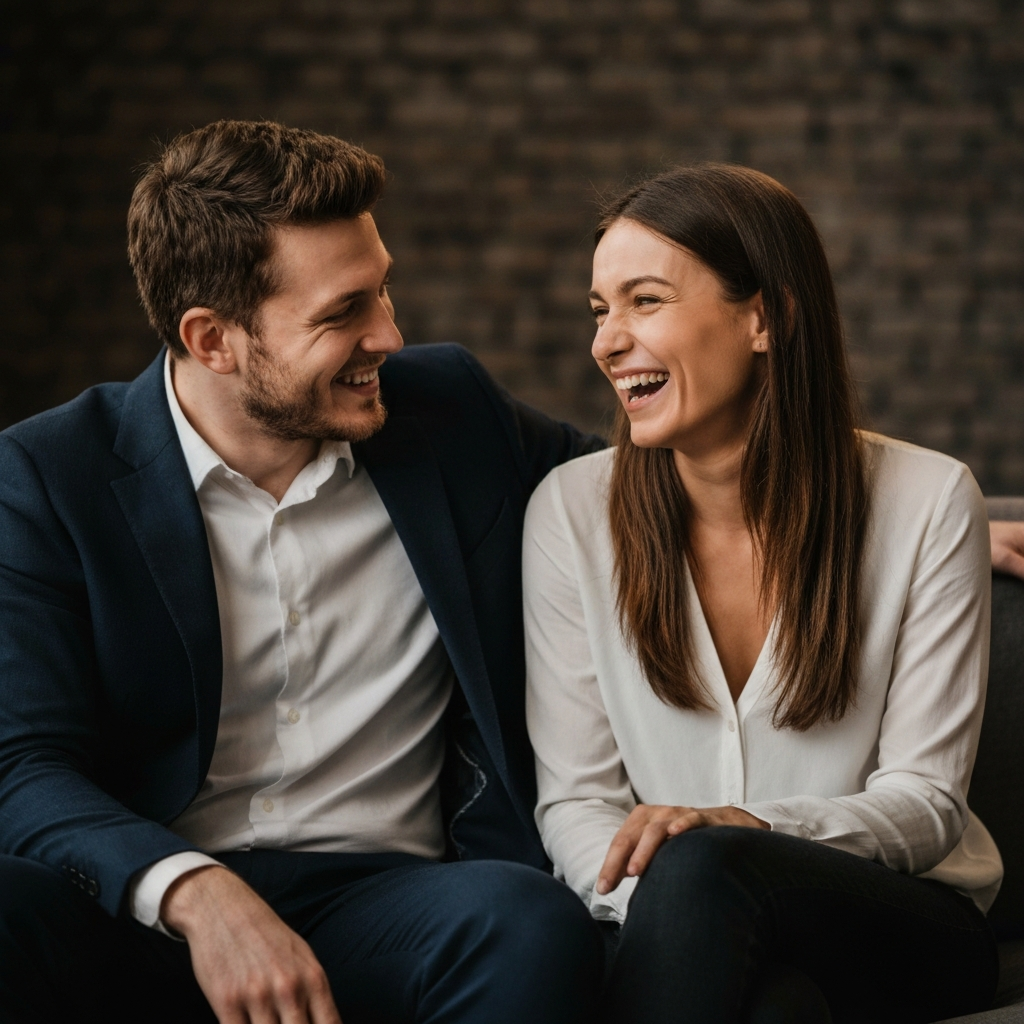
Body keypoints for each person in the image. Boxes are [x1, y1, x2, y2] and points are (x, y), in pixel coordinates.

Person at [0, 120, 605, 1024]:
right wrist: (196, 893)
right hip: (144, 912)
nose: (390, 335)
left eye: (383, 291)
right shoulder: (46, 477)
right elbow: (20, 764)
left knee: (524, 921)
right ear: (212, 340)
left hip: (393, 908)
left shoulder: (451, 416)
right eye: (342, 312)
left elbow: (646, 494)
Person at [523, 164, 1003, 1024]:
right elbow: (577, 799)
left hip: (899, 919)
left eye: (645, 301)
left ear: (765, 318)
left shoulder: (929, 502)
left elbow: (927, 805)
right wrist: (671, 910)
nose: (605, 341)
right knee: (774, 1006)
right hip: (673, 919)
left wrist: (744, 833)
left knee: (704, 866)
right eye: (601, 310)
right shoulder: (569, 513)